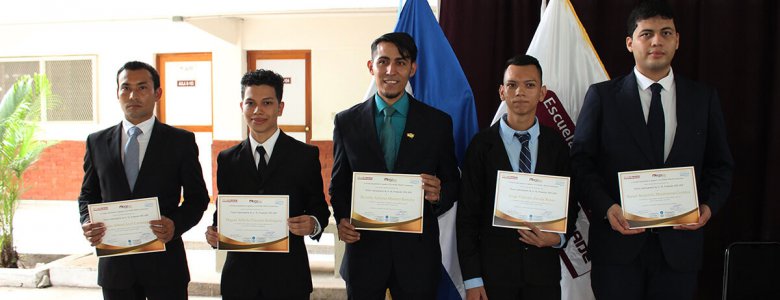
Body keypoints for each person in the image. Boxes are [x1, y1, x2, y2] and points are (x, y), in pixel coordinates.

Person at [570, 1, 734, 299]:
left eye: (666, 33)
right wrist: (607, 208)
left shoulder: (703, 99)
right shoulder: (603, 98)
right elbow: (581, 164)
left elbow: (721, 165)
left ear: (677, 40)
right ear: (630, 43)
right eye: (647, 34)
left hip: (680, 252)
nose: (657, 41)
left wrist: (708, 207)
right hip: (618, 250)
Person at [329, 32, 460, 299]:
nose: (391, 70)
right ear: (371, 66)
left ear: (413, 68)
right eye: (383, 61)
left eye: (400, 62)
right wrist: (342, 218)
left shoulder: (437, 123)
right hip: (363, 256)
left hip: (417, 259)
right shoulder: (346, 122)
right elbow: (339, 184)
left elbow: (452, 183)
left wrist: (439, 194)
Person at [78, 61, 210, 299]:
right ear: (117, 93)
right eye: (125, 88)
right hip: (116, 269)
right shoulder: (96, 142)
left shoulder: (181, 141)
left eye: (142, 88)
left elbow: (198, 198)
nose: (132, 95)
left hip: (165, 267)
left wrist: (175, 225)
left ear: (157, 93)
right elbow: (88, 194)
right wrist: (88, 221)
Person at [457, 54, 578, 300]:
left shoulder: (557, 145)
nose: (520, 91)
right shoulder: (481, 146)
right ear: (502, 91)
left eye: (529, 85)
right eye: (512, 85)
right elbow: (467, 217)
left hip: (543, 276)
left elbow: (571, 203)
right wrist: (472, 279)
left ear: (542, 92)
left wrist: (557, 238)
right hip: (493, 279)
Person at [204, 69, 330, 300]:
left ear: (280, 107)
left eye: (267, 103)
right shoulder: (227, 159)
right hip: (239, 279)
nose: (258, 111)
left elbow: (319, 208)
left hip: (288, 277)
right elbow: (222, 211)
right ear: (241, 106)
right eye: (250, 103)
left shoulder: (304, 155)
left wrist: (312, 224)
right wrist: (214, 233)